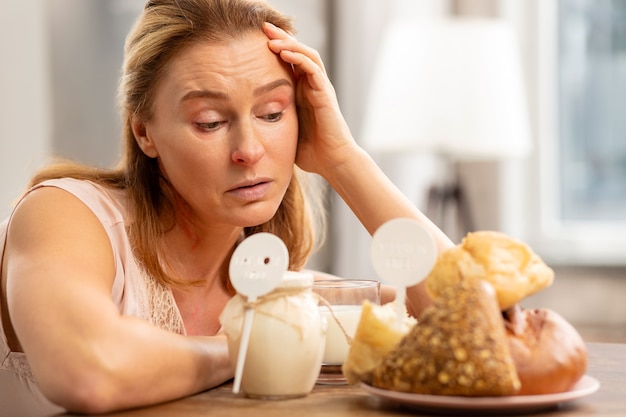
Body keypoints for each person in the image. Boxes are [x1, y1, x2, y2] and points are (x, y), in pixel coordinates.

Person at [0, 0, 454, 414]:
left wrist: (345, 160)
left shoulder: (275, 288)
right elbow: (88, 371)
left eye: (273, 113)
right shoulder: (65, 216)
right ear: (144, 132)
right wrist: (257, 344)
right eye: (210, 122)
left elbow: (472, 325)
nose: (249, 150)